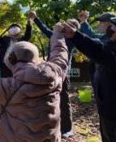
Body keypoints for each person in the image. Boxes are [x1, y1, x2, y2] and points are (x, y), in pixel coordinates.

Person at [0, 22, 69, 142]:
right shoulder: (56, 75)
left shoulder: (7, 88)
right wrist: (57, 34)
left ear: (11, 60)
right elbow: (60, 54)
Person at [62, 16, 116, 142]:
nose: (109, 29)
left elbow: (100, 51)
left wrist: (75, 35)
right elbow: (104, 47)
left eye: (112, 27)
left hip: (114, 113)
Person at [29, 10, 80, 138]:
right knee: (48, 99)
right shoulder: (56, 36)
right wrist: (35, 18)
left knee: (64, 100)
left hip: (62, 75)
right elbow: (45, 29)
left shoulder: (73, 40)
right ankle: (49, 125)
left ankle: (67, 129)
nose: (64, 26)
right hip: (50, 72)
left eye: (68, 25)